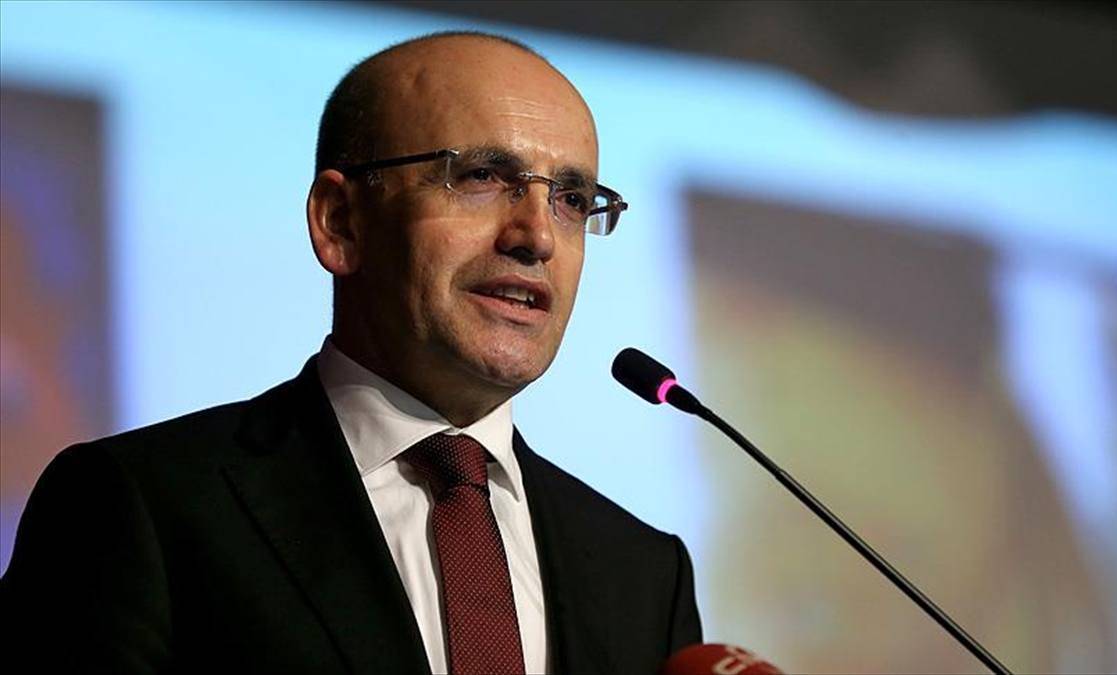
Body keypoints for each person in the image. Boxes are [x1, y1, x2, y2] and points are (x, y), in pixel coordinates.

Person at [0, 32, 702, 674]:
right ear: (339, 222)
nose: (538, 236)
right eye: (483, 176)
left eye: (572, 199)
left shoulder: (643, 572)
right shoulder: (141, 507)